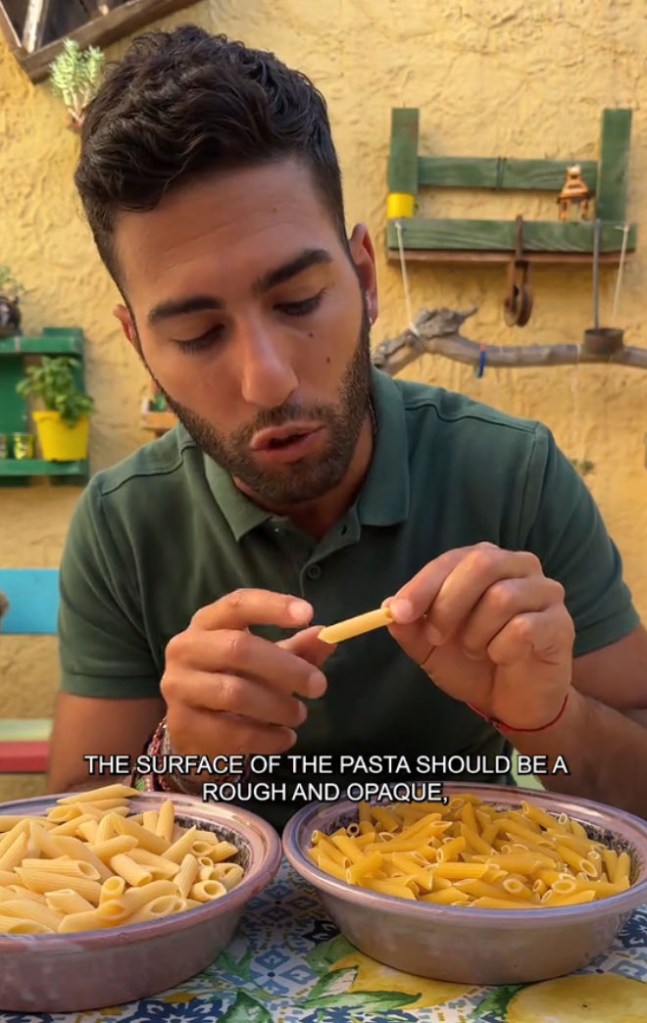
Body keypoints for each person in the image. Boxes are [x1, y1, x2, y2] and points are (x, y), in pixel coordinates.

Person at [48, 25, 647, 830]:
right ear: (140, 344)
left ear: (364, 277)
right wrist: (174, 768)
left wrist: (545, 718)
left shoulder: (513, 474)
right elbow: (69, 835)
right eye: (196, 335)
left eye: (297, 302)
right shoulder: (123, 523)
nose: (267, 378)